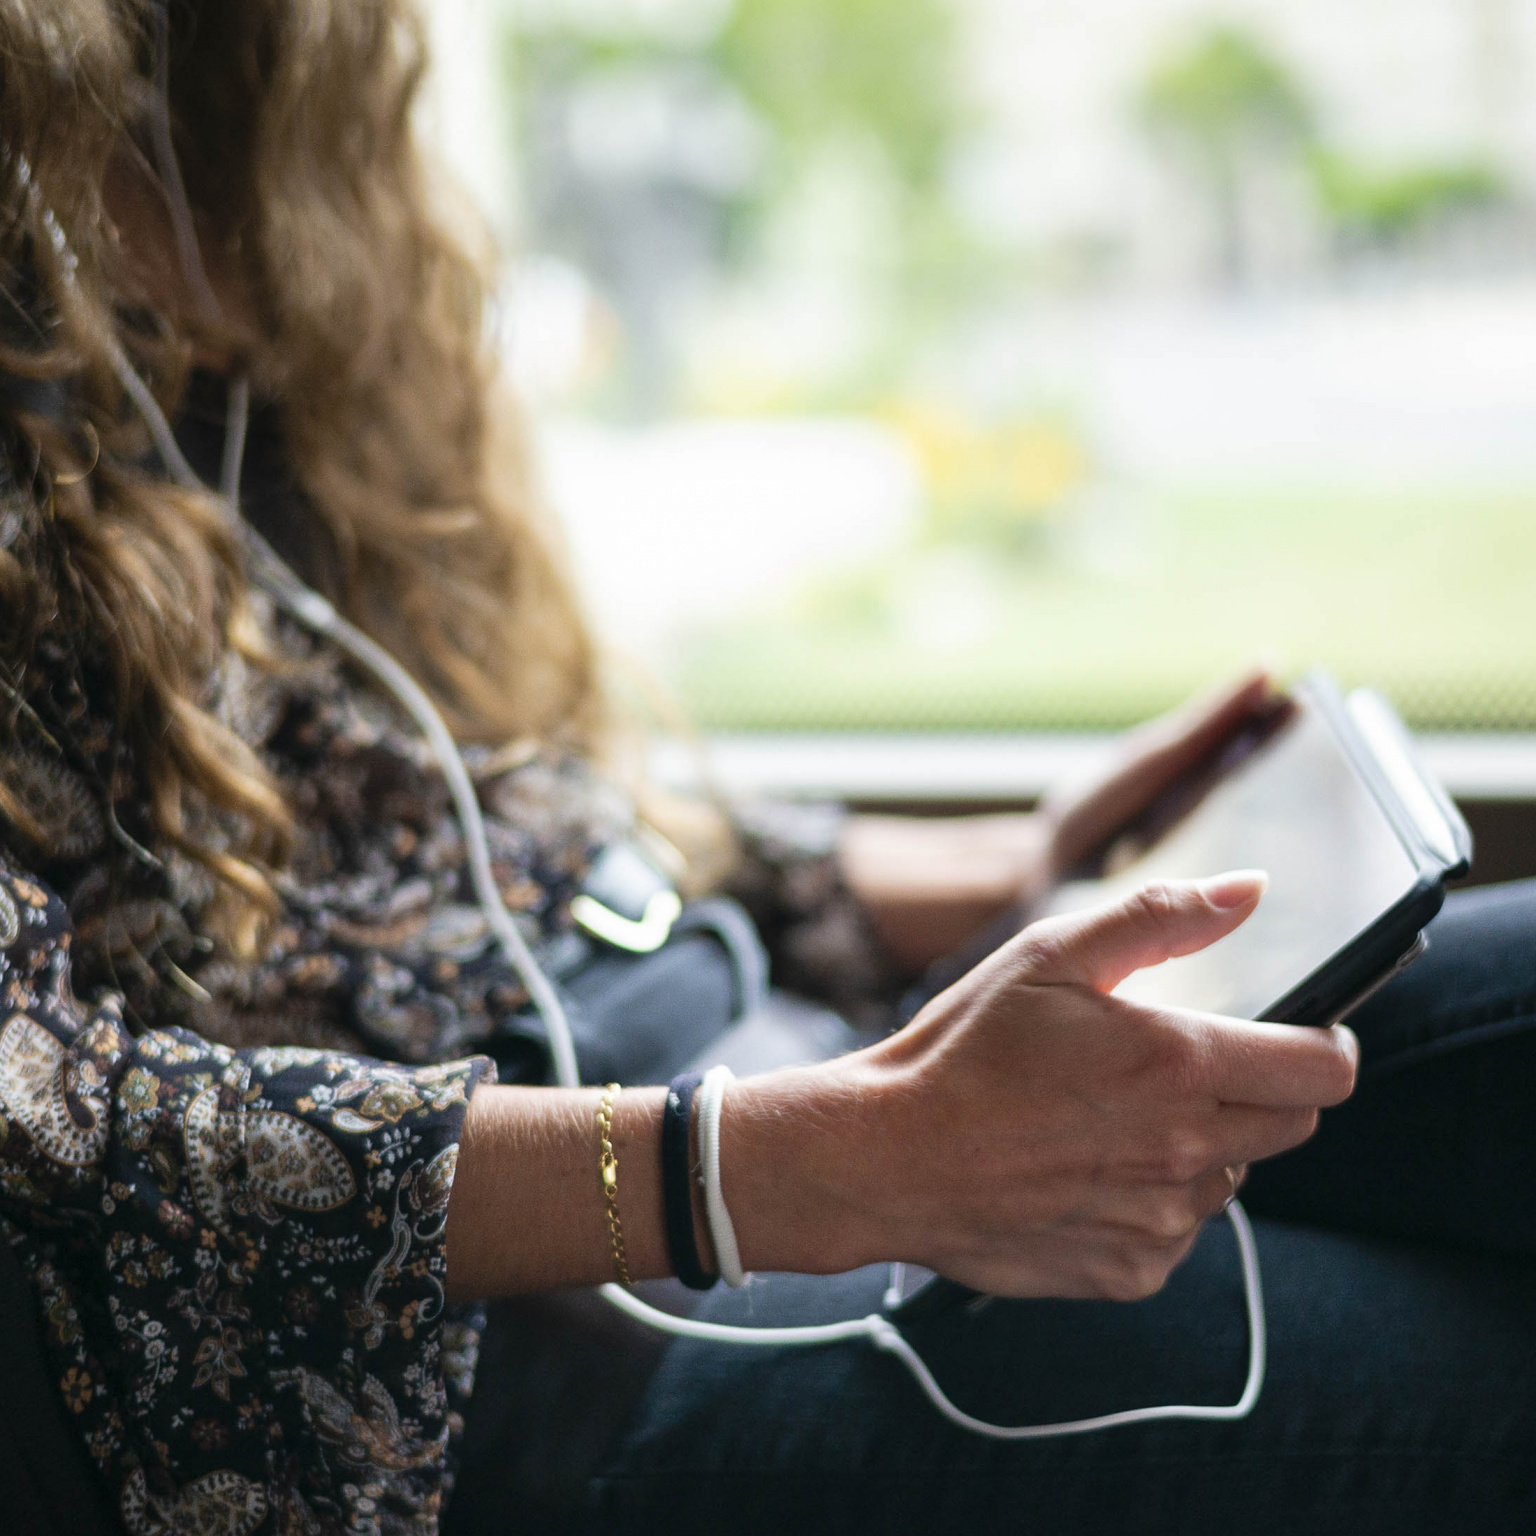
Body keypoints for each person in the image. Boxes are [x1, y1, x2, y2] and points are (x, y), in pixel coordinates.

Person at [0, 5, 1531, 1535]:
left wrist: (999, 872)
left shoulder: (275, 274)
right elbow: (49, 1119)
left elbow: (509, 832)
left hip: (764, 1078)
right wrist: (795, 1171)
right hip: (495, 1355)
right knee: (1482, 1380)